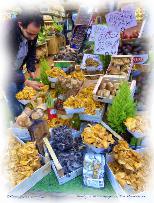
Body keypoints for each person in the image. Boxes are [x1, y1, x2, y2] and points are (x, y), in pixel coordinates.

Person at [6, 10, 44, 118]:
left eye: (35, 34)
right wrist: (26, 81)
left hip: (17, 68)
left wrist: (31, 68)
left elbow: (32, 50)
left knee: (22, 94)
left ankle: (25, 116)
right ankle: (18, 121)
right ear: (20, 24)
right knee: (12, 93)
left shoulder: (32, 31)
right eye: (30, 34)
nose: (33, 38)